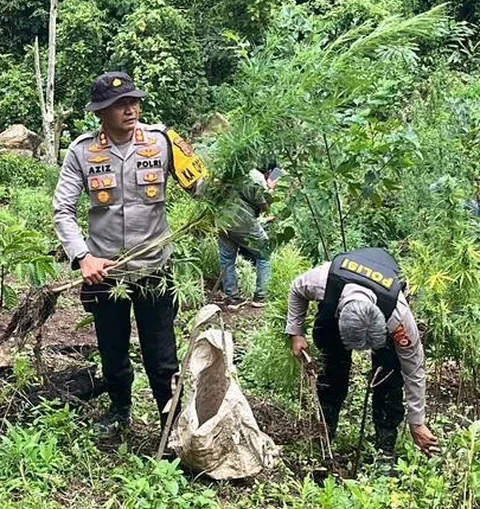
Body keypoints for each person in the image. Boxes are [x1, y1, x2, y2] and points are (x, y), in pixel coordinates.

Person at [53, 71, 207, 437]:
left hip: (155, 268)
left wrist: (228, 188)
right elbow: (63, 211)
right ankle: (120, 410)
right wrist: (83, 257)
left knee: (162, 355)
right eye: (120, 104)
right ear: (101, 112)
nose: (130, 109)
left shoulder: (163, 142)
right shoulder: (82, 151)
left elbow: (201, 186)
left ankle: (169, 423)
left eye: (134, 101)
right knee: (113, 350)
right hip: (106, 272)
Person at [286, 247, 438, 458]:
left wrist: (417, 421)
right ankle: (324, 435)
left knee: (389, 377)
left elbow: (414, 369)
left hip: (383, 297)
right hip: (337, 308)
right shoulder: (322, 280)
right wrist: (296, 333)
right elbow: (296, 289)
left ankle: (384, 450)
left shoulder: (398, 315)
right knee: (332, 370)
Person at [218, 162, 282, 310]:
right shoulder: (256, 177)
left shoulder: (229, 169)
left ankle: (232, 298)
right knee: (264, 254)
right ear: (270, 171)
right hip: (243, 221)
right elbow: (265, 205)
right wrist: (271, 189)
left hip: (222, 219)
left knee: (227, 259)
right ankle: (261, 295)